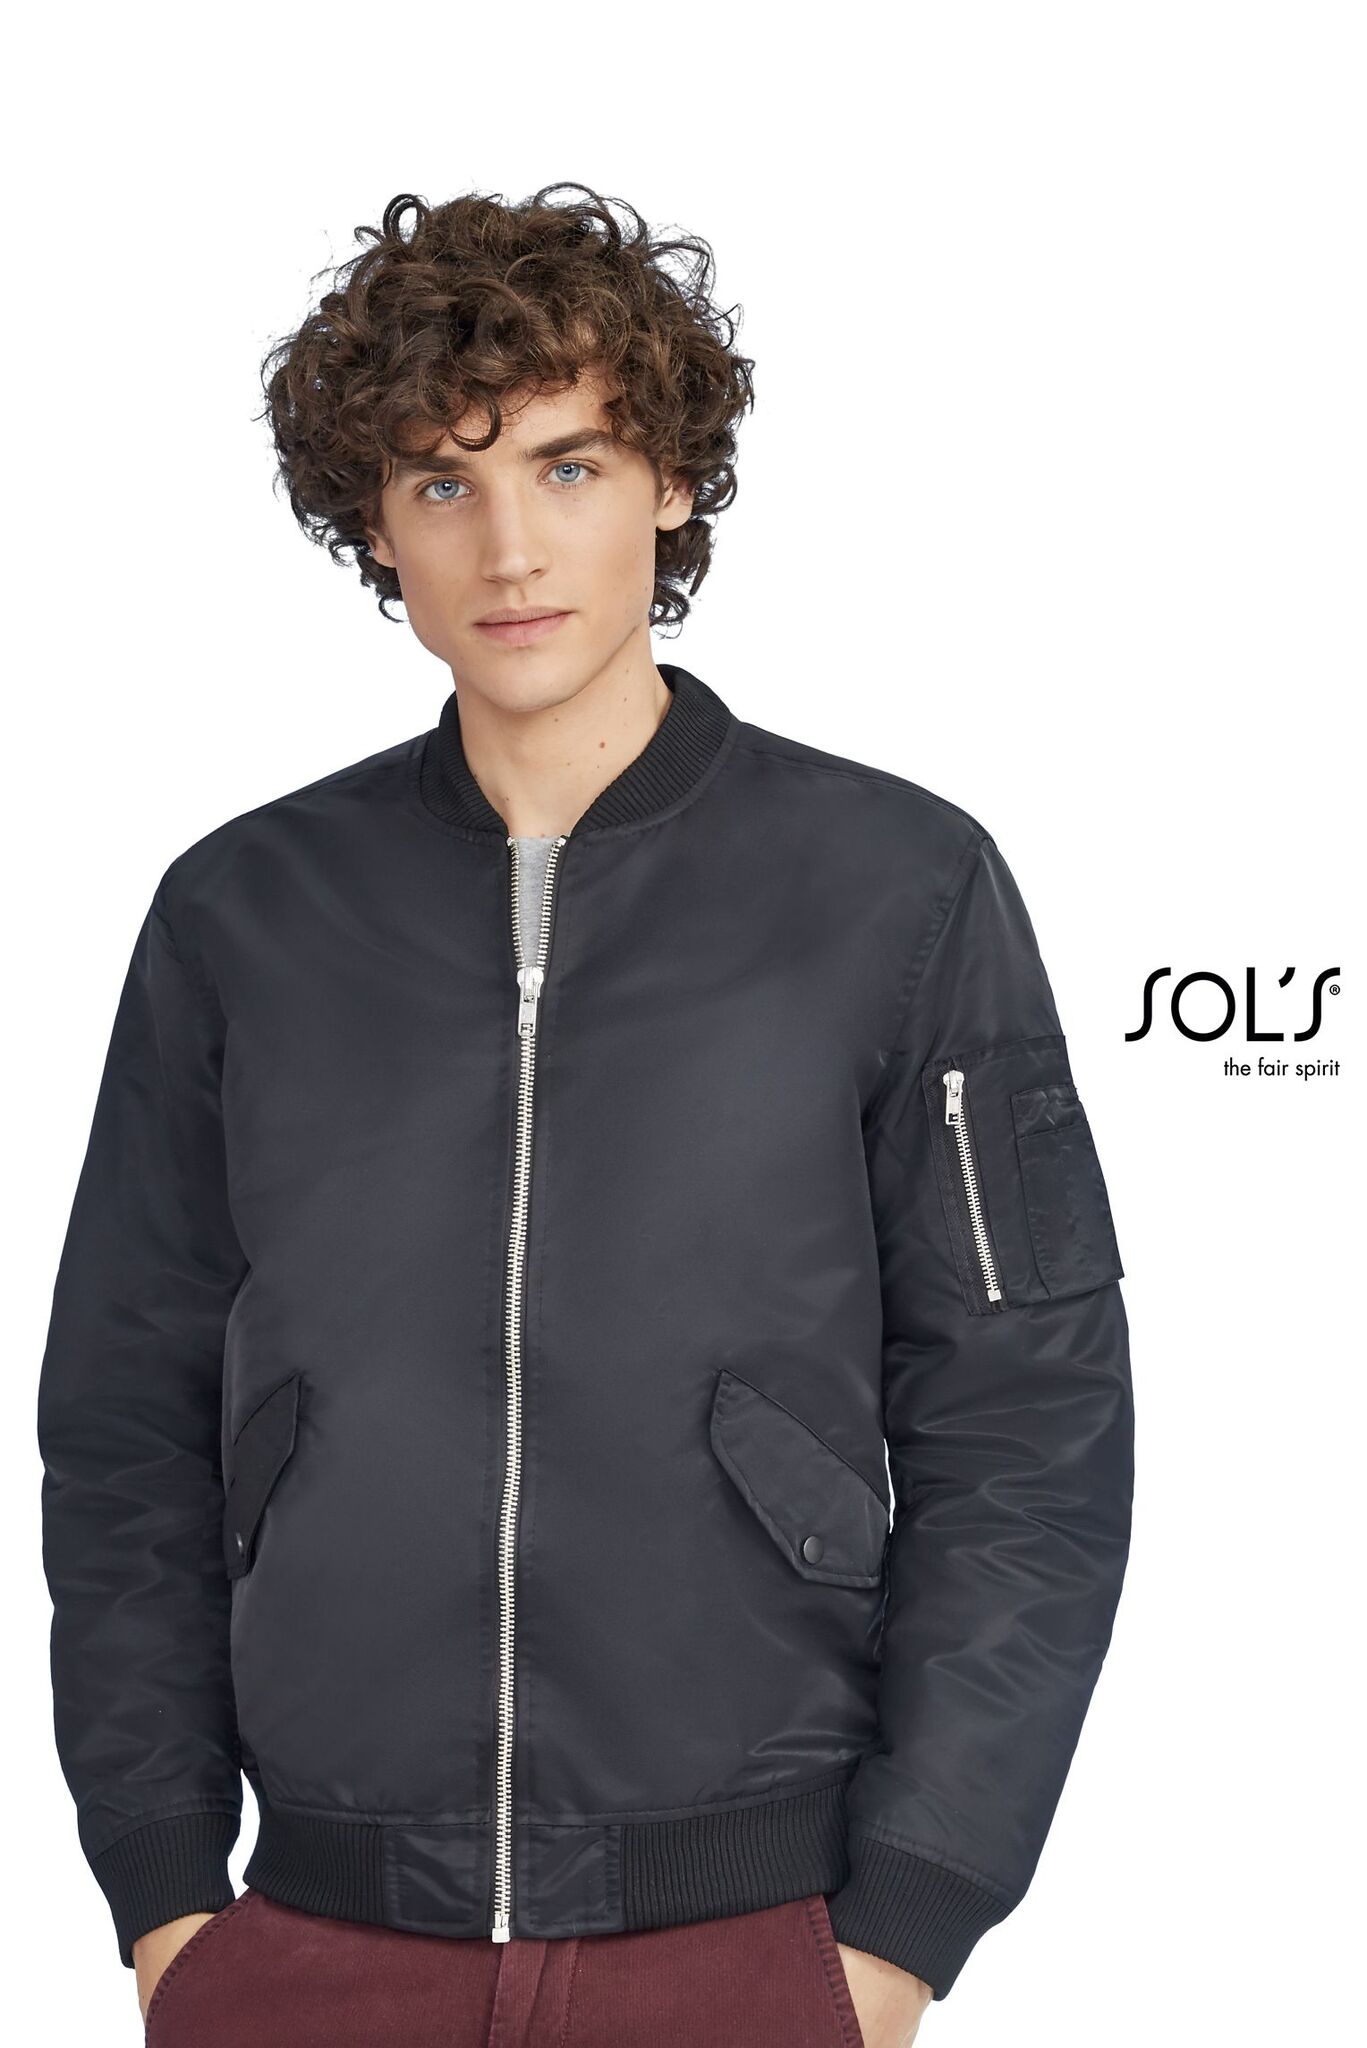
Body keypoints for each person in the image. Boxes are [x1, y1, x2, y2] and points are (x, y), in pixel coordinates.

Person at [36, 183, 1134, 2048]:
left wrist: (905, 1921)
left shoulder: (898, 890)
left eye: (570, 465)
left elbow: (1028, 1423)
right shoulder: (241, 916)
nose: (511, 547)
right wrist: (162, 1894)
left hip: (750, 1938)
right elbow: (125, 1423)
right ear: (376, 525)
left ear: (672, 482)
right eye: (440, 483)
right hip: (313, 1941)